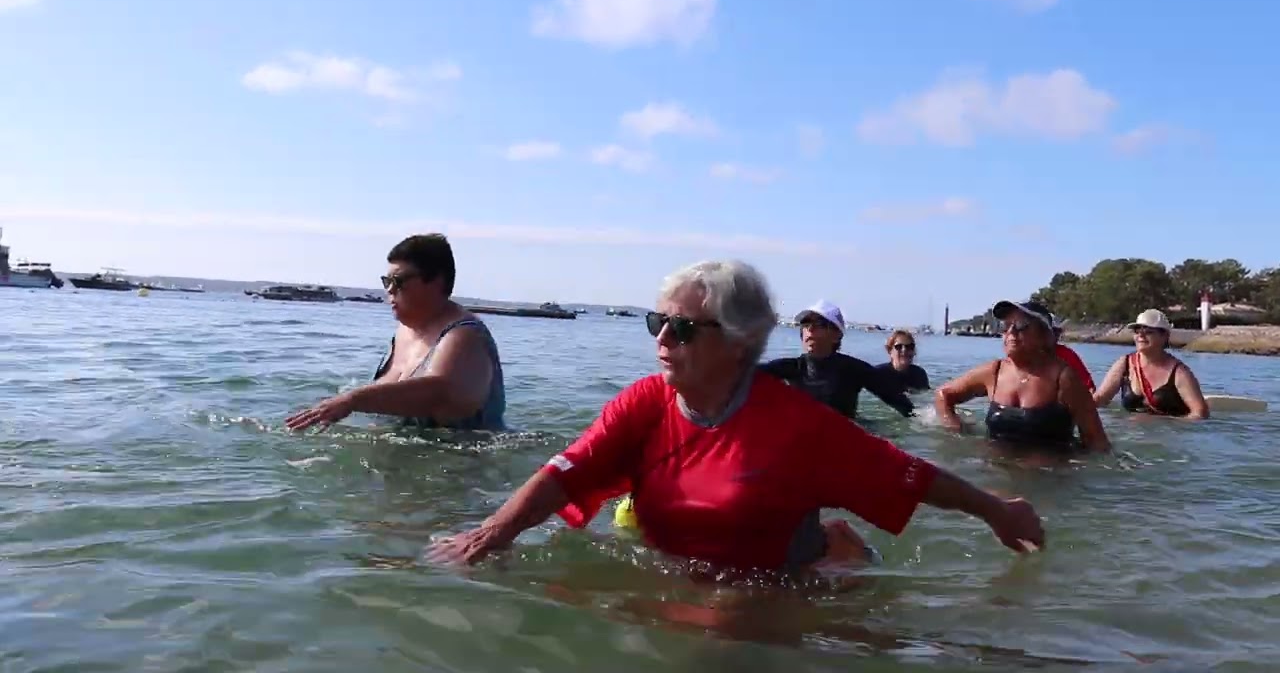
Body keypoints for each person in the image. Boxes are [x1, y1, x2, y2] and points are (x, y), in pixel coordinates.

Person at [426, 261, 1045, 577]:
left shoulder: (797, 426)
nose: (663, 336)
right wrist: (485, 537)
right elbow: (563, 473)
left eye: (684, 326)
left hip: (778, 589)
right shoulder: (645, 401)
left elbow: (907, 473)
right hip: (681, 573)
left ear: (742, 340)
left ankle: (837, 550)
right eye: (657, 321)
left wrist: (997, 510)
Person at [285, 233, 507, 432]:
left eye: (399, 281)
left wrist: (353, 399)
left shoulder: (464, 337)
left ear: (436, 282)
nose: (389, 290)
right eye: (386, 281)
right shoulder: (404, 332)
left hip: (458, 464)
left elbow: (440, 393)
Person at [935, 300, 1111, 453]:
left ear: (1044, 335)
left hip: (1048, 481)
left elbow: (1097, 442)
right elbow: (943, 395)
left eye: (1020, 325)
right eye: (1006, 326)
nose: (1011, 332)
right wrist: (956, 433)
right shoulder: (994, 372)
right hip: (995, 476)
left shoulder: (1063, 379)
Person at [759, 300, 915, 418]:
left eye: (819, 323)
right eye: (806, 324)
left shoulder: (853, 370)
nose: (810, 329)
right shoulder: (790, 368)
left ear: (836, 335)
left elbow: (903, 405)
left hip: (844, 440)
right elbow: (743, 375)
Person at [1092, 309, 1208, 418]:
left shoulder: (1179, 372)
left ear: (1164, 336)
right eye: (1137, 331)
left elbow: (1200, 413)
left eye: (1148, 332)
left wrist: (1170, 426)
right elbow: (1100, 399)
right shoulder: (1124, 364)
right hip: (1132, 435)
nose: (1141, 336)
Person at [1050, 316, 1095, 393]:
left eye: (1057, 332)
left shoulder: (1067, 354)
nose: (1056, 336)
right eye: (1052, 331)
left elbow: (1089, 387)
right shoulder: (1028, 354)